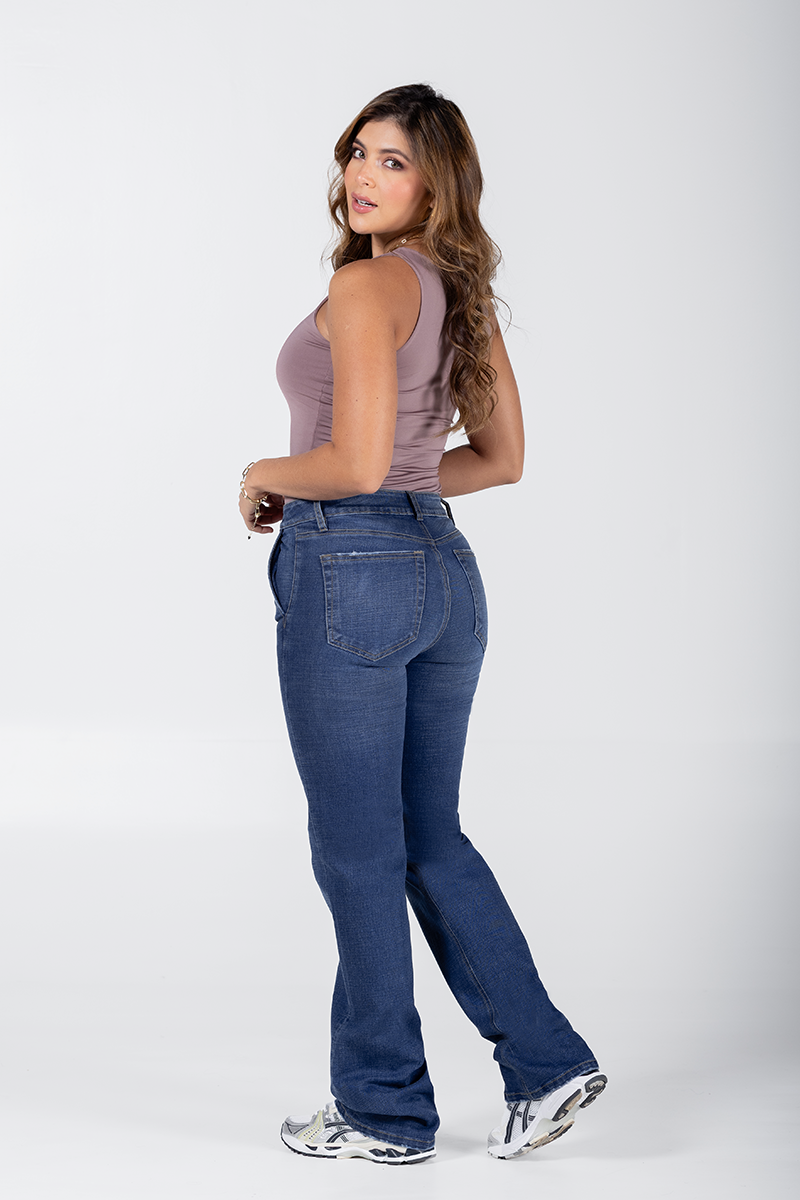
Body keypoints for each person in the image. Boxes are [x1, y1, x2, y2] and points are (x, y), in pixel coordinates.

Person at [238, 83, 605, 1165]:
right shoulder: (459, 293)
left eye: (392, 161)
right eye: (358, 151)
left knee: (358, 851)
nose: (362, 174)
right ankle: (545, 1062)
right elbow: (499, 460)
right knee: (425, 835)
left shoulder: (366, 287)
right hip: (442, 574)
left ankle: (382, 1110)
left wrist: (264, 472)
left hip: (351, 573)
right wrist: (388, 482)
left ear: (436, 184)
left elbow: (353, 464)